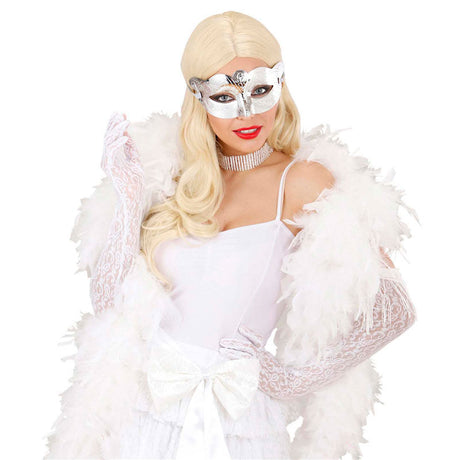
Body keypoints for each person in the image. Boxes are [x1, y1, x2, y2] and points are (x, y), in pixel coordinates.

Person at [43, 10, 418, 460]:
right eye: (224, 96)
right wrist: (128, 195)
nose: (247, 112)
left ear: (281, 83)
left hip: (235, 422)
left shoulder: (302, 182)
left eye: (260, 90)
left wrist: (295, 380)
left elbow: (395, 309)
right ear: (198, 99)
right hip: (141, 414)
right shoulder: (177, 177)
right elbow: (108, 304)